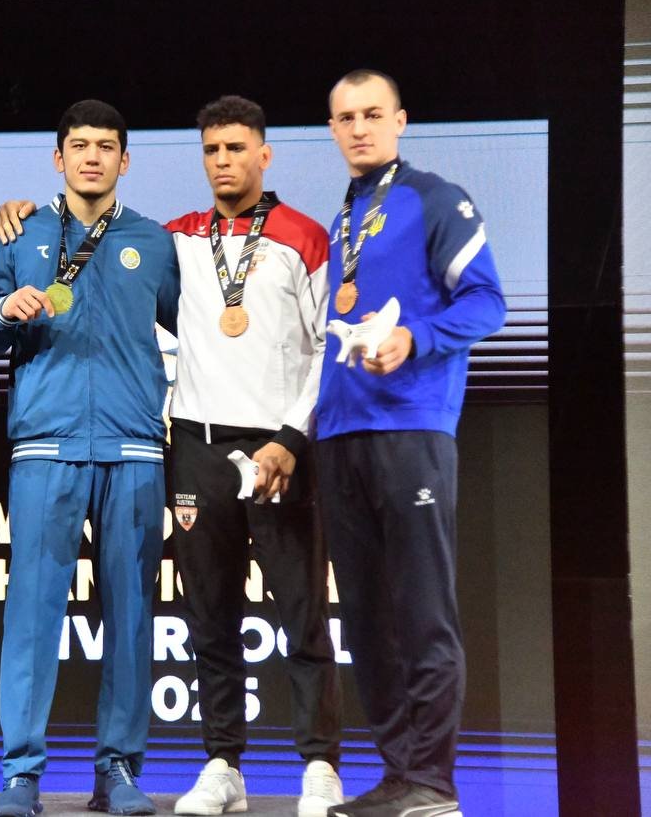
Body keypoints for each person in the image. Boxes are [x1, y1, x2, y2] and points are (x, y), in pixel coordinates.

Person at [0, 99, 179, 817]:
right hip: (44, 445)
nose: (92, 156)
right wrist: (2, 312)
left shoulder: (155, 242)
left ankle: (118, 770)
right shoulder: (20, 232)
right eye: (80, 145)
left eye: (106, 146)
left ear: (125, 159)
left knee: (131, 614)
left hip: (134, 447)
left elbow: (194, 336)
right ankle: (21, 774)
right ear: (58, 157)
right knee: (31, 615)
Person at [315, 70, 506, 817]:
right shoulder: (345, 215)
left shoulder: (435, 198)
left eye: (372, 114)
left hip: (411, 428)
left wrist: (414, 337)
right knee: (366, 620)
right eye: (345, 118)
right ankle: (399, 773)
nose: (359, 128)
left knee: (422, 611)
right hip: (341, 433)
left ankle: (433, 780)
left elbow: (487, 301)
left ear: (400, 120)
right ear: (332, 129)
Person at [163, 96, 343, 817]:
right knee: (209, 615)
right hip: (197, 446)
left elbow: (331, 344)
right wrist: (23, 209)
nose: (222, 161)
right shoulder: (178, 237)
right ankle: (222, 764)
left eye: (235, 148)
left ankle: (320, 765)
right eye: (211, 149)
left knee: (301, 612)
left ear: (264, 154)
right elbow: (102, 244)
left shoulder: (304, 236)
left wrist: (292, 438)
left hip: (277, 450)